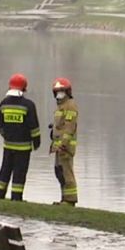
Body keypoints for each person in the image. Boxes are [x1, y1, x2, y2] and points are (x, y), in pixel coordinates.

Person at [0, 73, 40, 201]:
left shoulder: (3, 104)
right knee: (19, 173)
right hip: (23, 147)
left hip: (8, 145)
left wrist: (7, 137)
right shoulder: (28, 105)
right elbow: (34, 127)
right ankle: (16, 198)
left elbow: (0, 125)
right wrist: (36, 142)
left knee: (5, 170)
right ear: (24, 88)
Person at [49, 77, 79, 205]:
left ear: (67, 92)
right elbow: (59, 126)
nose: (59, 94)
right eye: (57, 91)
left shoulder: (70, 106)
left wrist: (63, 144)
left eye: (61, 91)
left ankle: (70, 200)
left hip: (65, 147)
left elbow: (69, 127)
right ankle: (64, 198)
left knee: (67, 173)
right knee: (59, 172)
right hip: (58, 146)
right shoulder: (60, 107)